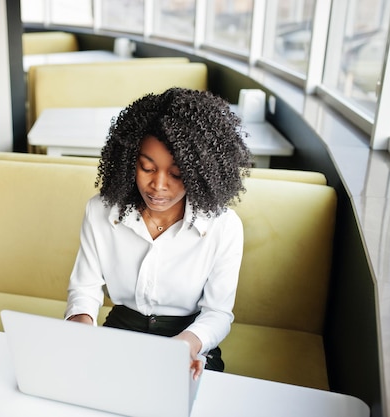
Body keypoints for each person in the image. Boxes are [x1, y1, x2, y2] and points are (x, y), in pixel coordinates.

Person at [64, 87, 252, 380]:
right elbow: (85, 288)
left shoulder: (223, 227)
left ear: (199, 172)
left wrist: (185, 346)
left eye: (177, 174)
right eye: (147, 168)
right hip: (121, 331)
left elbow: (217, 313)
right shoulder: (100, 211)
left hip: (189, 340)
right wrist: (80, 326)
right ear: (129, 162)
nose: (158, 186)